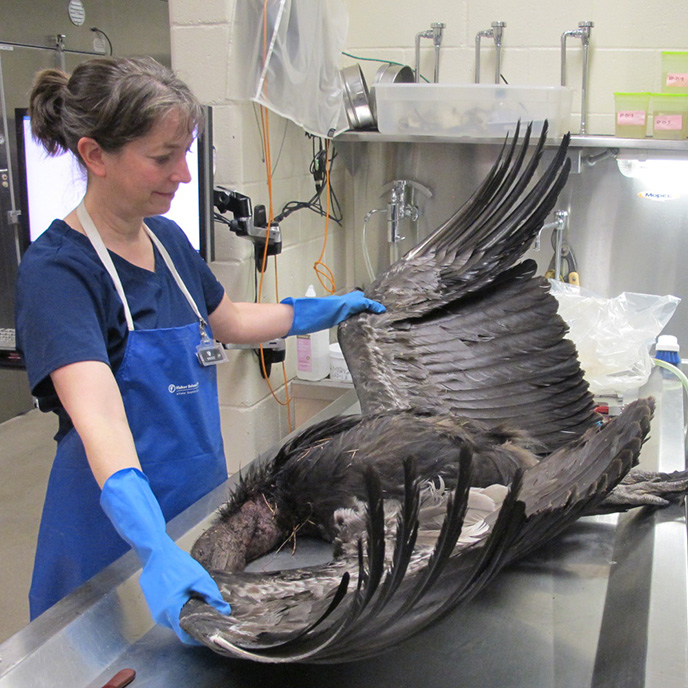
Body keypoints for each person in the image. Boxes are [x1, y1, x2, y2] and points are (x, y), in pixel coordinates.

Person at [15, 56, 385, 644]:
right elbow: (101, 419)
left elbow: (231, 320)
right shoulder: (58, 273)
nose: (184, 175)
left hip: (191, 514)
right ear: (94, 155)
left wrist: (328, 308)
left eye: (185, 153)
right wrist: (154, 545)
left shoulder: (166, 239)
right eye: (163, 157)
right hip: (109, 530)